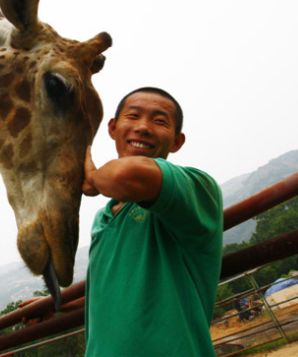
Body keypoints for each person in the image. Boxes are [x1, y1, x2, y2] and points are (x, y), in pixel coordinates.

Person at [82, 87, 223, 356]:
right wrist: (57, 308)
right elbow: (121, 286)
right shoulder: (104, 217)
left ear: (177, 141)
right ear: (112, 128)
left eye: (159, 121)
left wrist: (92, 178)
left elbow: (126, 174)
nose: (143, 127)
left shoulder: (196, 189)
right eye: (133, 116)